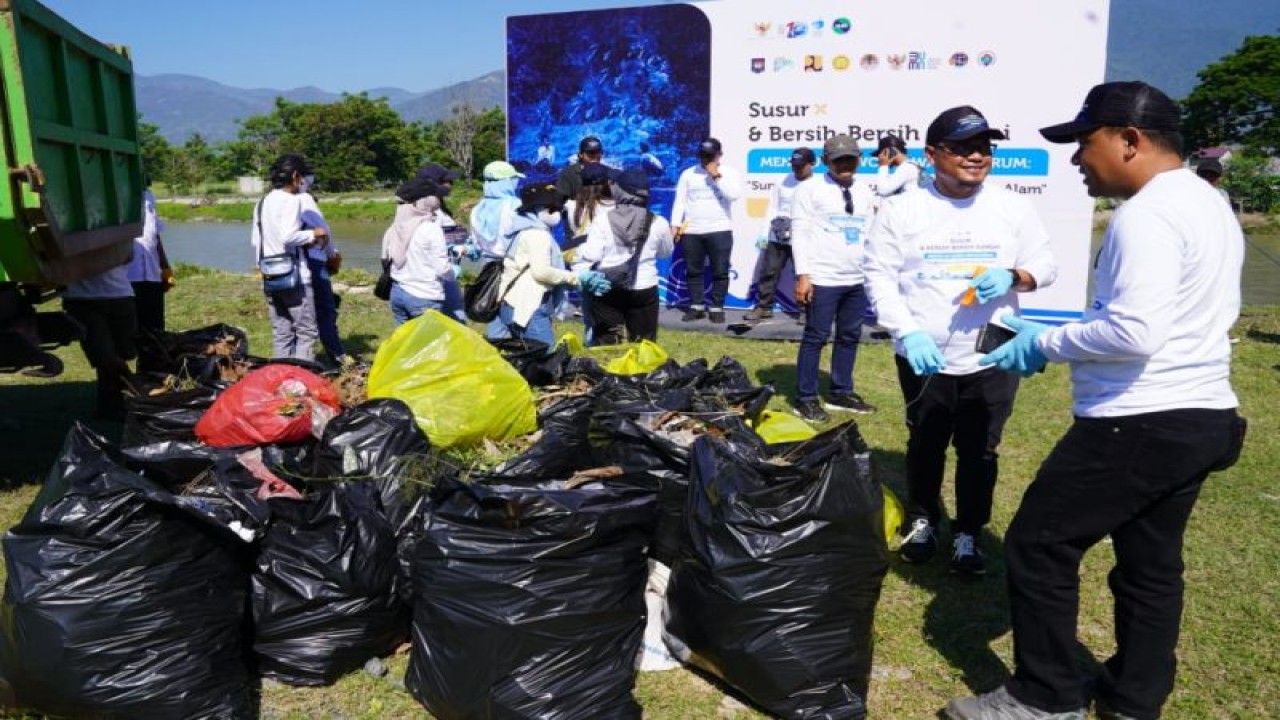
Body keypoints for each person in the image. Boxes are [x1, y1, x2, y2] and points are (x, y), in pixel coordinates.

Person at [946, 81, 1246, 720]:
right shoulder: (1205, 200)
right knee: (1150, 564)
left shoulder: (1148, 214)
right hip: (1201, 412)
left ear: (1130, 141)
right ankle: (1135, 697)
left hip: (1140, 418)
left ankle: (1044, 695)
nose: (1077, 159)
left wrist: (1045, 342)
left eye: (1085, 144)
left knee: (1038, 543)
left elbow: (1137, 330)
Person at [863, 105, 1058, 576]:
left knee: (980, 449)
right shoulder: (900, 208)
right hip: (924, 353)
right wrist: (907, 332)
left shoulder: (1012, 206)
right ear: (932, 155)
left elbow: (1046, 265)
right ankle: (923, 517)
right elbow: (879, 277)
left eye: (984, 148)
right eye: (964, 147)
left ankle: (969, 531)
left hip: (994, 349)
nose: (977, 156)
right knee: (925, 442)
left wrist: (1014, 276)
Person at [789, 134, 879, 422]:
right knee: (815, 337)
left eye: (850, 158)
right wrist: (804, 275)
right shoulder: (809, 189)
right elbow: (800, 233)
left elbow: (872, 233)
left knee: (850, 336)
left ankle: (841, 391)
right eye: (839, 159)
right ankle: (806, 398)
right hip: (823, 278)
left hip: (857, 278)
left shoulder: (866, 191)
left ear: (858, 160)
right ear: (827, 160)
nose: (845, 164)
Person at [497, 182, 612, 346]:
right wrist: (577, 278)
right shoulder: (538, 235)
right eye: (553, 209)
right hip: (527, 307)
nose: (557, 213)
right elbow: (542, 272)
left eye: (559, 209)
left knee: (528, 358)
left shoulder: (522, 229)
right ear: (537, 209)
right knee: (546, 359)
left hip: (513, 304)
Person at [573, 168, 674, 344]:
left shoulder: (603, 220)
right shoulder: (659, 222)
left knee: (607, 344)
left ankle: (608, 371)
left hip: (608, 286)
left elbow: (592, 254)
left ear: (619, 191)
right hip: (644, 287)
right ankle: (642, 371)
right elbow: (665, 253)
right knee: (644, 344)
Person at [252, 153, 328, 362]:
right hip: (294, 277)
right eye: (302, 176)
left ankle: (280, 376)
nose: (303, 182)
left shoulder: (262, 202)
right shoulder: (292, 201)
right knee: (306, 332)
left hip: (270, 275)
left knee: (282, 330)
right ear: (295, 175)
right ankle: (301, 379)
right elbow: (288, 236)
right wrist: (315, 234)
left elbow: (256, 240)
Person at [671, 137, 743, 323]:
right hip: (692, 230)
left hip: (720, 228)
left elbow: (734, 195)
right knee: (693, 270)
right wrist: (675, 224)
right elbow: (680, 201)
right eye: (703, 156)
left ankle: (717, 307)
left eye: (710, 156)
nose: (706, 160)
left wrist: (716, 176)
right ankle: (696, 306)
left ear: (720, 155)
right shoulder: (688, 174)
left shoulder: (730, 173)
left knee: (720, 270)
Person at [744, 147, 816, 322]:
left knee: (804, 274)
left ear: (812, 164)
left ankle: (807, 311)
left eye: (801, 165)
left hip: (804, 236)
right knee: (769, 271)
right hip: (777, 234)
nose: (796, 169)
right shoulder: (782, 181)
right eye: (794, 165)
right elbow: (773, 207)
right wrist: (764, 233)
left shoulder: (818, 185)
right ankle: (763, 307)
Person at [62, 260, 136, 419]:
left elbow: (128, 256)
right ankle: (136, 389)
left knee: (124, 353)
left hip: (120, 295)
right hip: (81, 300)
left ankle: (111, 407)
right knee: (104, 356)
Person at [381, 176, 456, 326]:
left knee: (405, 343)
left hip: (398, 291)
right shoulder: (431, 229)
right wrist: (454, 274)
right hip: (424, 294)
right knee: (428, 345)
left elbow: (384, 259)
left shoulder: (395, 227)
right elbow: (442, 269)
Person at [471, 160, 525, 339]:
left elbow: (476, 243)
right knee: (516, 311)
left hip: (488, 266)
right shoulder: (514, 206)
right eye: (512, 179)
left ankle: (496, 349)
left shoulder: (478, 209)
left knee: (493, 308)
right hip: (513, 265)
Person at [297, 182, 349, 365]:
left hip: (294, 264)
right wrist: (333, 256)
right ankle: (336, 354)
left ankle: (300, 355)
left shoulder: (276, 206)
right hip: (315, 262)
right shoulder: (306, 204)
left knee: (300, 310)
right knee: (326, 309)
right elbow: (325, 235)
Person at [126, 180, 173, 335]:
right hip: (127, 277)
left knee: (155, 331)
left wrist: (165, 267)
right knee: (131, 332)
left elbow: (155, 234)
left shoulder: (148, 196)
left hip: (152, 274)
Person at [556, 136, 605, 201]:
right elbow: (561, 200)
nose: (595, 157)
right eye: (591, 154)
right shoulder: (568, 174)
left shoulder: (606, 173)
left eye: (598, 153)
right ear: (580, 155)